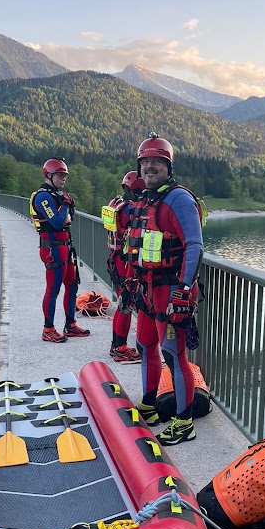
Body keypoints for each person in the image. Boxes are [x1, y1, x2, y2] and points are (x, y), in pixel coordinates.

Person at [126, 134, 204, 445]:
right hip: (146, 290)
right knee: (145, 345)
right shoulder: (145, 200)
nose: (150, 166)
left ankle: (184, 422)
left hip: (172, 290)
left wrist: (183, 291)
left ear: (168, 166)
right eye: (145, 162)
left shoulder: (179, 200)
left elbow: (195, 247)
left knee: (174, 355)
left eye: (157, 161)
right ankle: (149, 405)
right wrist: (130, 283)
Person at [30, 158, 91, 343]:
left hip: (64, 247)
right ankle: (48, 329)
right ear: (49, 175)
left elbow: (70, 218)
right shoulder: (43, 196)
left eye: (65, 175)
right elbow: (57, 222)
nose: (63, 178)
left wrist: (65, 210)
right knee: (53, 289)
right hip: (52, 249)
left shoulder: (56, 195)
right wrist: (65, 205)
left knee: (72, 286)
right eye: (60, 175)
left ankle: (70, 325)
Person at [103, 171, 144, 364]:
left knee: (123, 302)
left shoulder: (116, 204)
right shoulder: (129, 209)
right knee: (125, 305)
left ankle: (115, 346)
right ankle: (120, 348)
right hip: (124, 261)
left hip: (115, 258)